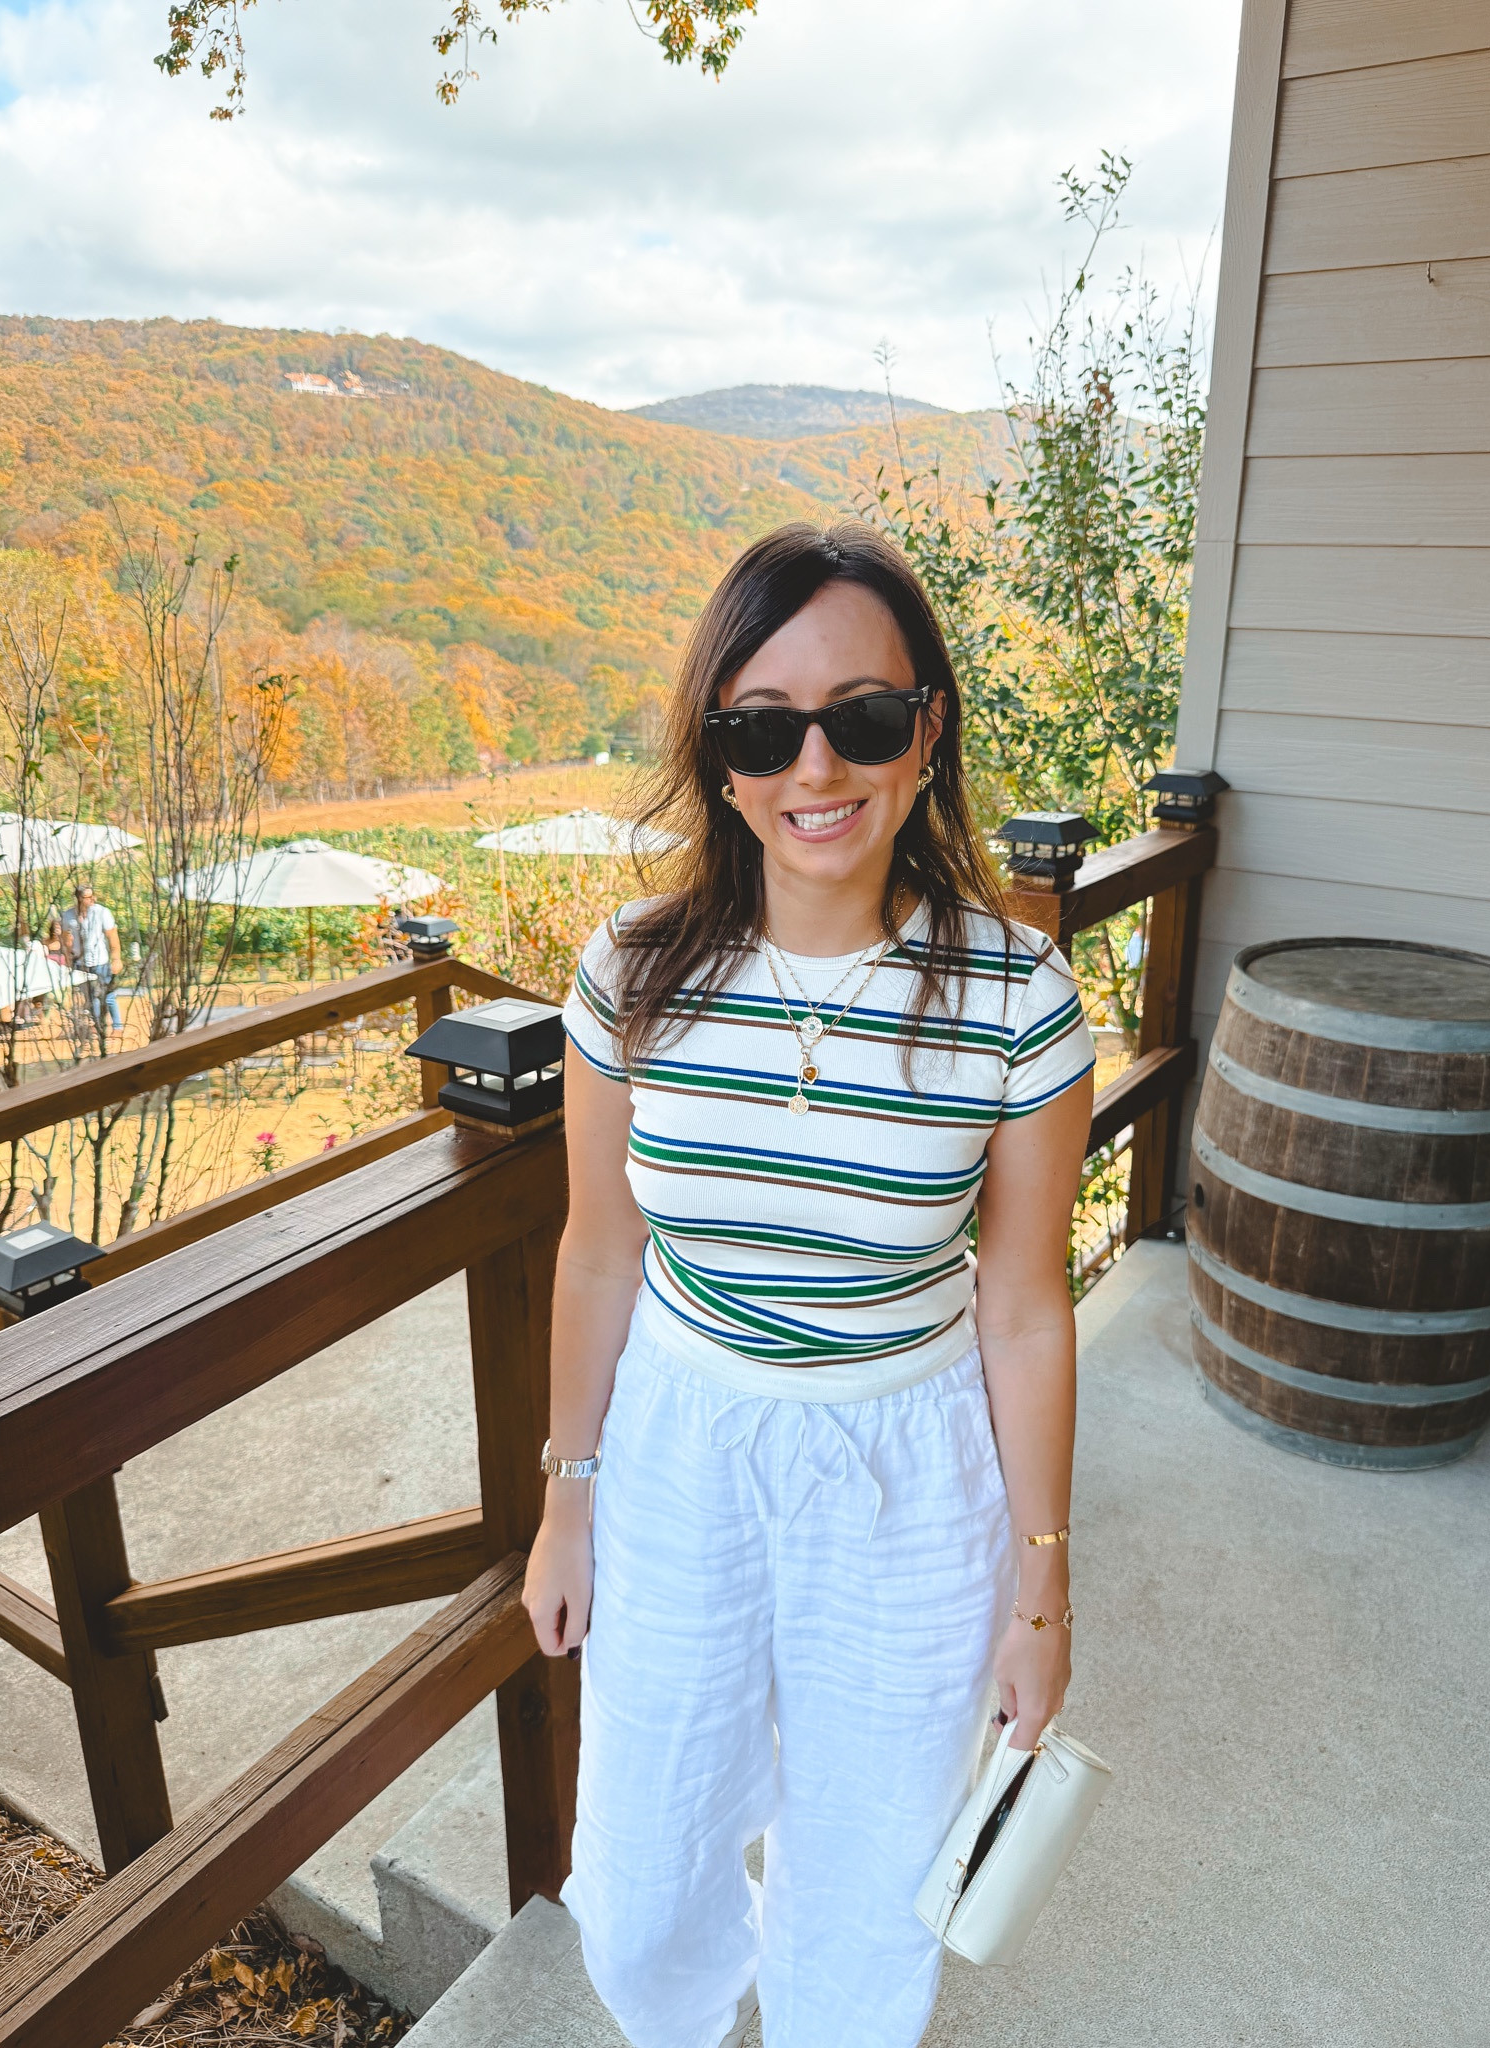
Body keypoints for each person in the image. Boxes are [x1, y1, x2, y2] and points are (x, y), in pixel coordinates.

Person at [523, 523, 1096, 2048]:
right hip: (681, 1451)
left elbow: (1026, 1305)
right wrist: (566, 1493)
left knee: (869, 1891)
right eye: (763, 726)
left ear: (927, 732)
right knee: (640, 1901)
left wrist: (1041, 1578)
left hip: (909, 1468)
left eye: (862, 715)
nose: (815, 766)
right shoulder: (631, 977)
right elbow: (598, 1252)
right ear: (717, 757)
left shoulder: (1014, 1000)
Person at [62, 881, 124, 1042]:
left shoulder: (102, 912)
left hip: (100, 960)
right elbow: (64, 938)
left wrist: (116, 958)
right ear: (78, 898)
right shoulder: (68, 916)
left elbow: (112, 937)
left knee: (107, 996)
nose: (91, 899)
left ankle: (116, 1026)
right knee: (90, 998)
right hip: (80, 963)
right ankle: (97, 1026)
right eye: (86, 897)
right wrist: (68, 956)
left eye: (92, 896)